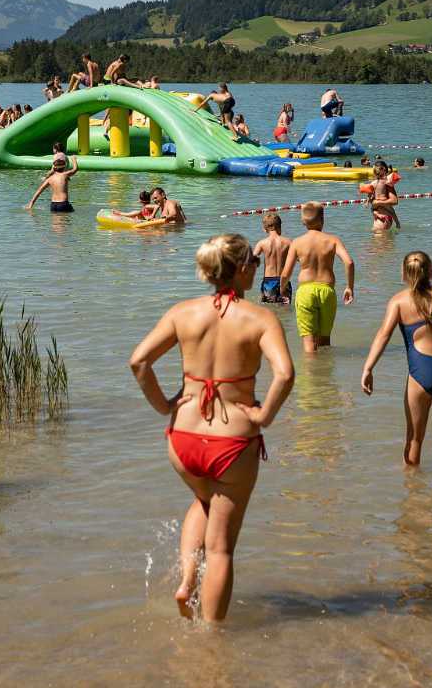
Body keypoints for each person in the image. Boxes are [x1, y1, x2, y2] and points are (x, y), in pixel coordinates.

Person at [127, 234, 295, 622]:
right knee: (221, 549)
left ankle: (187, 580)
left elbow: (138, 362)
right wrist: (263, 416)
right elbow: (285, 374)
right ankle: (212, 649)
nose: (256, 266)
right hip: (232, 444)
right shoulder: (260, 318)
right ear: (239, 270)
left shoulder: (182, 312)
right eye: (252, 261)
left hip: (183, 440)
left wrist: (164, 405)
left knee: (205, 502)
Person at [360, 252, 432, 468]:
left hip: (421, 369)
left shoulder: (399, 301)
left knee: (414, 438)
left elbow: (383, 335)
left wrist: (368, 368)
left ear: (403, 274)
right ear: (431, 271)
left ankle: (414, 493)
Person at [280, 202, 355, 353]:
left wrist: (282, 290)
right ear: (323, 219)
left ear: (303, 221)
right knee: (325, 341)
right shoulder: (333, 240)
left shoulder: (297, 242)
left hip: (305, 292)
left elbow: (285, 274)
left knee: (309, 342)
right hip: (327, 291)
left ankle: (311, 375)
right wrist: (349, 287)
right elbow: (349, 262)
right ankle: (325, 374)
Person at [253, 213, 292, 304]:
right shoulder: (288, 242)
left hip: (268, 282)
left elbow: (251, 260)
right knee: (285, 311)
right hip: (284, 281)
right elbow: (300, 259)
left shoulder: (262, 243)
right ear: (280, 226)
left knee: (270, 311)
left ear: (264, 229)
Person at [366, 161, 400, 230]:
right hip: (384, 202)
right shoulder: (387, 182)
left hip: (376, 203)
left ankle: (377, 215)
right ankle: (398, 223)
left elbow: (369, 193)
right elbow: (394, 201)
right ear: (384, 171)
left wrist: (367, 201)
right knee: (392, 212)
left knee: (373, 209)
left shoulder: (373, 183)